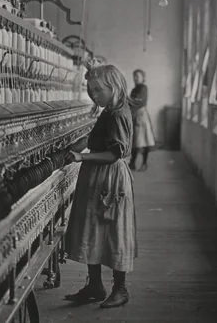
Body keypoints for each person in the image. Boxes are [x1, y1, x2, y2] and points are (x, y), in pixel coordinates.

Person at [64, 64, 137, 309]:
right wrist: (78, 143)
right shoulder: (109, 111)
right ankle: (95, 286)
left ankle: (121, 288)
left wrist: (81, 157)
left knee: (114, 231)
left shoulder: (117, 113)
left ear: (113, 87)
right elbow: (98, 137)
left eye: (98, 89)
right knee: (92, 229)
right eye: (90, 89)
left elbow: (115, 153)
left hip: (110, 178)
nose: (94, 95)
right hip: (98, 177)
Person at [129, 69, 155, 171]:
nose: (135, 78)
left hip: (141, 116)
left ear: (143, 78)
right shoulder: (134, 89)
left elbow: (138, 101)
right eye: (134, 76)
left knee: (144, 140)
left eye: (137, 76)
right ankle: (132, 162)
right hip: (135, 115)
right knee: (135, 140)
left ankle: (144, 163)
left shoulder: (143, 88)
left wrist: (128, 100)